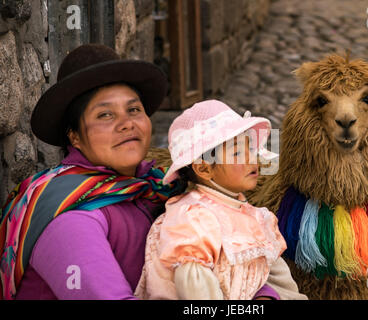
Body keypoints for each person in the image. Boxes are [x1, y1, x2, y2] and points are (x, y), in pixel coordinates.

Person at [0, 44, 280, 300]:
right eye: (105, 115)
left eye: (133, 109)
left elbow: (230, 259)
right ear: (74, 136)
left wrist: (262, 296)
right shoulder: (71, 219)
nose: (126, 123)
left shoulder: (157, 188)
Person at [135, 100, 307, 300]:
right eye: (237, 153)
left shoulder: (251, 215)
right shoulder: (194, 219)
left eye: (250, 149)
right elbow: (196, 292)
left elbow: (276, 278)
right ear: (204, 169)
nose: (252, 159)